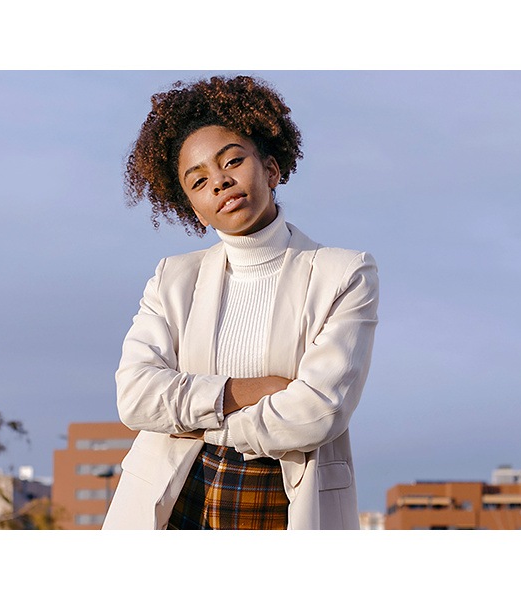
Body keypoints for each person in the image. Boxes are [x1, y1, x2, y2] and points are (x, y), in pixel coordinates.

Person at [102, 75, 379, 530]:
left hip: (282, 503)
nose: (220, 182)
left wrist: (198, 423)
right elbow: (135, 398)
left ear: (271, 169)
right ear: (194, 208)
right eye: (199, 180)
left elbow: (318, 412)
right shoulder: (173, 278)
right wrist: (248, 390)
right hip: (174, 503)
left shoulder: (344, 273)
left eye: (232, 161)